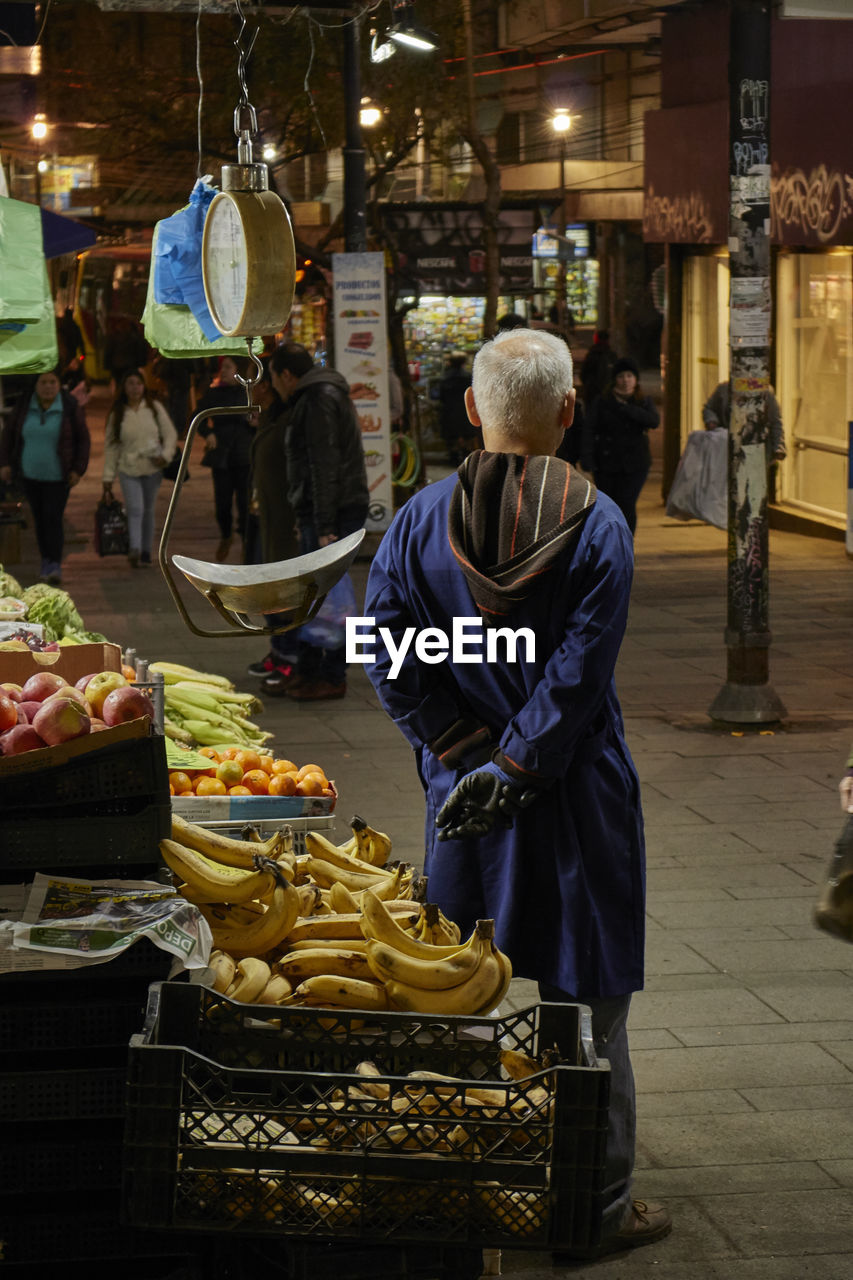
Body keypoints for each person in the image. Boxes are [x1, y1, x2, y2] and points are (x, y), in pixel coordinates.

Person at [364, 327, 670, 1258]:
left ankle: (459, 1197)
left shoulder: (421, 520)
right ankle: (592, 1213)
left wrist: (462, 749)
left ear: (471, 411)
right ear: (569, 413)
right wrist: (521, 766)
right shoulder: (600, 521)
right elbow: (578, 674)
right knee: (588, 1011)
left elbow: (386, 648)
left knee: (455, 1001)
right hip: (573, 794)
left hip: (463, 800)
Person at [261, 342, 368, 701]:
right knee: (311, 595)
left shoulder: (319, 398)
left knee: (327, 597)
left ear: (287, 375)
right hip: (321, 510)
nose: (274, 386)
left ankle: (332, 674)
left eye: (274, 378)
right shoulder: (313, 396)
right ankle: (307, 671)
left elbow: (324, 465)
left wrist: (324, 526)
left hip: (333, 512)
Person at [0, 369, 90, 585]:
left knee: (53, 518)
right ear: (36, 385)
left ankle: (54, 563)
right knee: (39, 520)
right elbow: (8, 435)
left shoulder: (68, 406)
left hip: (59, 477)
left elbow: (83, 440)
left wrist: (78, 469)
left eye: (52, 382)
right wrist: (4, 463)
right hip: (30, 476)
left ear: (59, 385)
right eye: (44, 382)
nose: (48, 386)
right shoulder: (24, 406)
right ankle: (45, 560)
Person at [244, 360, 301, 680]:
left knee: (283, 593)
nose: (247, 388)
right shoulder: (267, 419)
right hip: (263, 518)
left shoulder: (286, 420)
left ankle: (288, 655)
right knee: (266, 591)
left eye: (251, 381)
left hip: (283, 521)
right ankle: (278, 650)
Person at [102, 368, 177, 568]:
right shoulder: (118, 414)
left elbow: (170, 434)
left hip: (153, 467)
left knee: (148, 510)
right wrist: (108, 476)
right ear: (123, 388)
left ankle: (146, 550)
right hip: (128, 468)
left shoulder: (154, 408)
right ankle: (134, 547)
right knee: (135, 508)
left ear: (144, 386)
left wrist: (166, 455)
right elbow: (111, 445)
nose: (135, 388)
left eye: (138, 383)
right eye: (130, 384)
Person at [581, 357, 660, 534]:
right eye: (621, 376)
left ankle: (626, 539)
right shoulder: (602, 402)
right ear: (615, 379)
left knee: (627, 502)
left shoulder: (642, 401)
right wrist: (587, 458)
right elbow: (589, 429)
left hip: (635, 464)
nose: (625, 381)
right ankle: (610, 540)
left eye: (630, 376)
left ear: (635, 379)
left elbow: (653, 421)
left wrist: (628, 409)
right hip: (606, 464)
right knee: (609, 504)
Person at [196, 356, 255, 563]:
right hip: (221, 454)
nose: (223, 371)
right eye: (223, 367)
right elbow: (198, 417)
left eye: (228, 367)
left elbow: (258, 419)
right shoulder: (213, 393)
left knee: (244, 502)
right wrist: (208, 432)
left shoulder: (248, 393)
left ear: (239, 370)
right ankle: (226, 535)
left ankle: (247, 542)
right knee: (222, 503)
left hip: (244, 454)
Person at [702, 381, 786, 459]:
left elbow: (775, 422)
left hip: (754, 449)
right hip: (727, 447)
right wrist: (712, 421)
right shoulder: (724, 389)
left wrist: (778, 447)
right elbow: (709, 409)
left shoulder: (765, 392)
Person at [437, 351, 474, 465]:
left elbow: (441, 396)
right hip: (465, 411)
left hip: (449, 410)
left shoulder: (445, 378)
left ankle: (453, 457)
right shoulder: (469, 377)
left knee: (452, 436)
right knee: (466, 436)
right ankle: (466, 457)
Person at [579, 329, 616, 408]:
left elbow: (583, 374)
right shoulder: (612, 356)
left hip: (592, 393)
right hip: (607, 393)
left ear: (596, 339)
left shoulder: (592, 355)